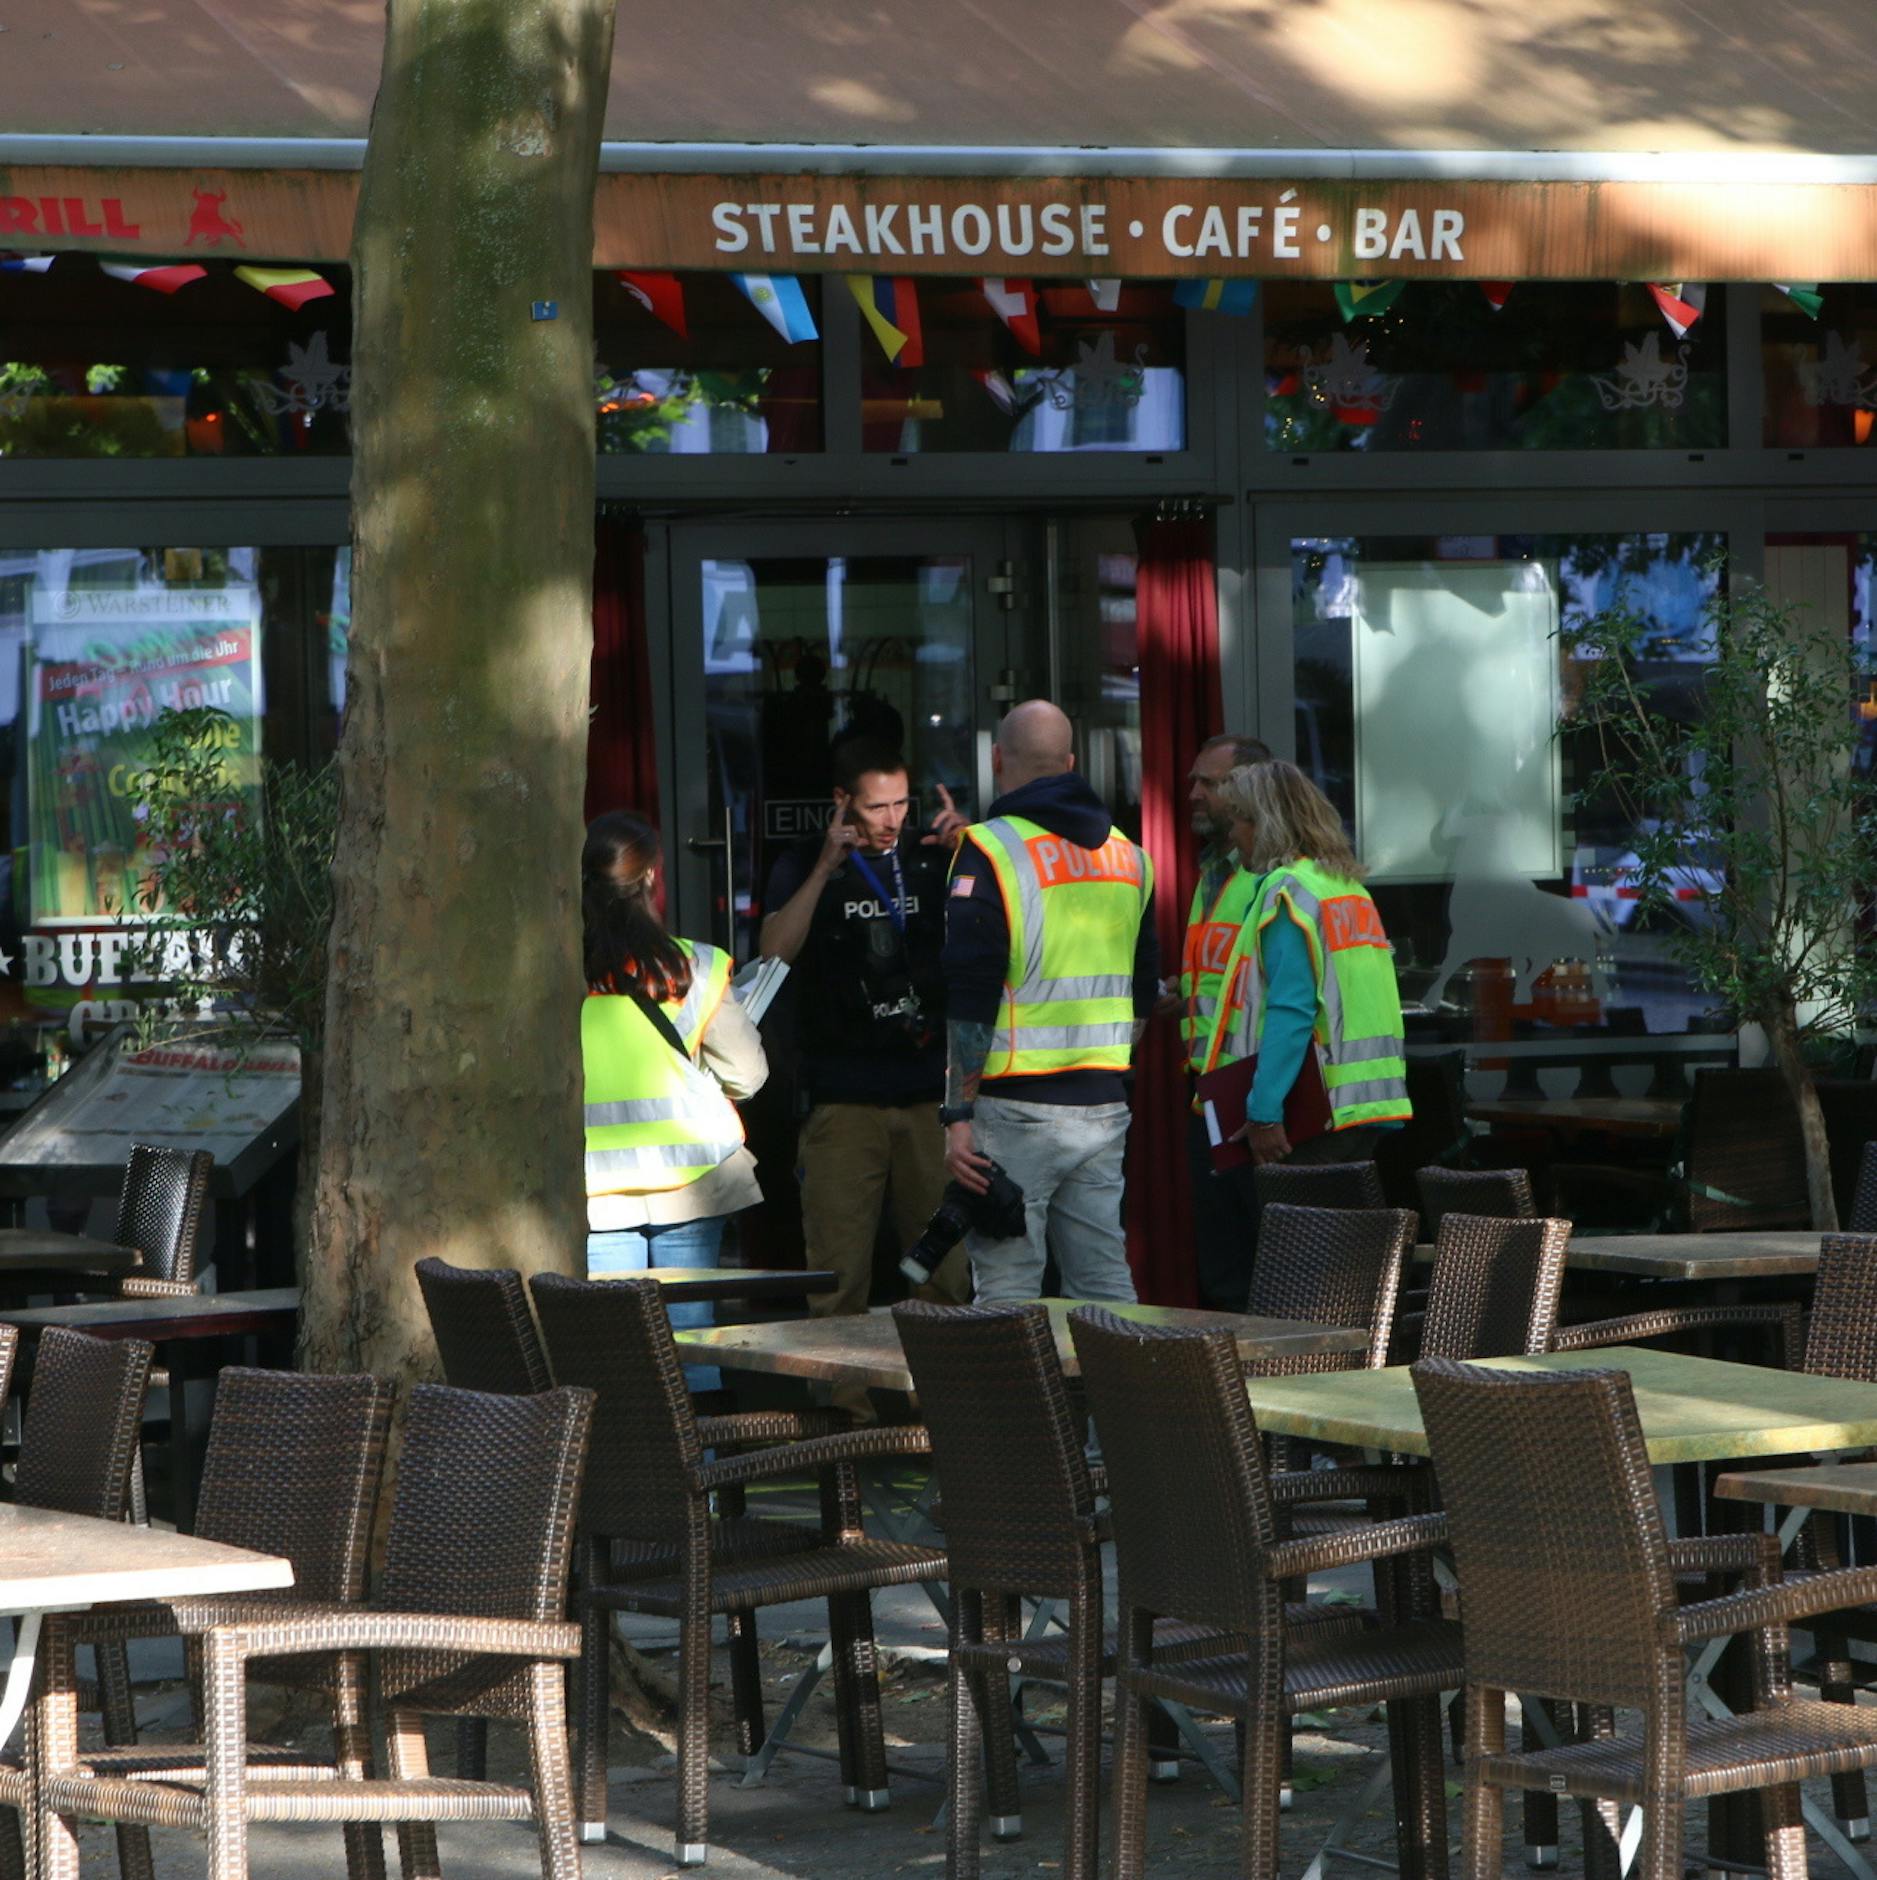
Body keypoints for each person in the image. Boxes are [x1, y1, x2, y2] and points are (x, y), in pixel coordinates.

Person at [760, 738, 970, 1416]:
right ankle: (845, 1419)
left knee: (940, 1267)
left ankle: (940, 1408)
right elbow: (771, 953)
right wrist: (825, 866)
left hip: (927, 1097)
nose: (891, 819)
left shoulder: (933, 859)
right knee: (838, 1273)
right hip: (842, 1096)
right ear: (841, 802)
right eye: (875, 805)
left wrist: (974, 851)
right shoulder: (803, 863)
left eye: (901, 803)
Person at [941, 699, 1158, 1304]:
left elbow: (970, 995)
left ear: (997, 760)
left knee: (1008, 1284)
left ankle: (1014, 1405)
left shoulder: (989, 850)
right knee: (1103, 1280)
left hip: (1014, 1108)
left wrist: (957, 1115)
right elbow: (1144, 995)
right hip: (1102, 1103)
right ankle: (1121, 1402)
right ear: (1068, 763)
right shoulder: (1130, 855)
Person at [582, 809, 768, 1391]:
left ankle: (625, 1482)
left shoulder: (554, 971)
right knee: (690, 1345)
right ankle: (702, 1483)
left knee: (614, 1356)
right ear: (652, 880)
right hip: (691, 1183)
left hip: (592, 1191)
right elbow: (749, 1075)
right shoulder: (698, 968)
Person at [1203, 760, 1411, 1202]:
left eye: (1237, 821)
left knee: (1297, 1260)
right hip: (1361, 1107)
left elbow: (1291, 1010)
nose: (1233, 836)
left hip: (1309, 1113)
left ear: (1264, 824)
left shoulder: (1288, 891)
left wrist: (1263, 1112)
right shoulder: (1346, 888)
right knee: (1341, 1259)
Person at [1177, 732, 1273, 1310]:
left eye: (1207, 783)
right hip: (1209, 1091)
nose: (1192, 793)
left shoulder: (1270, 874)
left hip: (1257, 1094)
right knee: (1221, 1261)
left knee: (1260, 1263)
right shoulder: (1216, 871)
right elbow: (1219, 976)